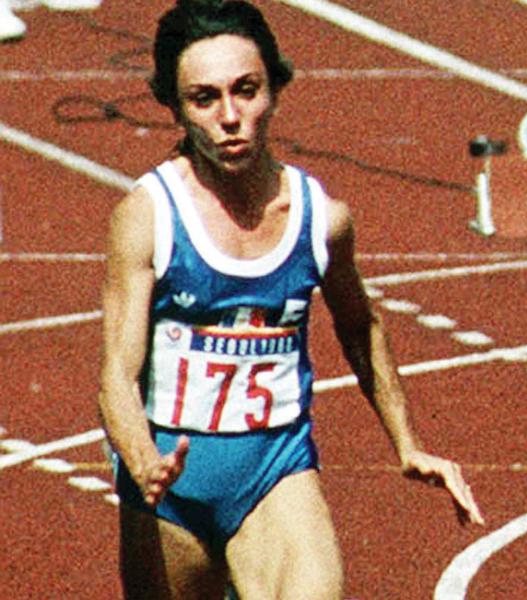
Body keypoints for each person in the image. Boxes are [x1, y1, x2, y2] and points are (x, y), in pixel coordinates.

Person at [97, 2, 483, 598]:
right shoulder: (147, 218)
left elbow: (361, 326)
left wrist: (407, 443)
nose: (230, 117)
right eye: (204, 99)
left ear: (275, 88)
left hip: (275, 471)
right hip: (170, 486)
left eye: (246, 91)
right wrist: (143, 460)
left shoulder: (320, 220)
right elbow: (116, 379)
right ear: (174, 108)